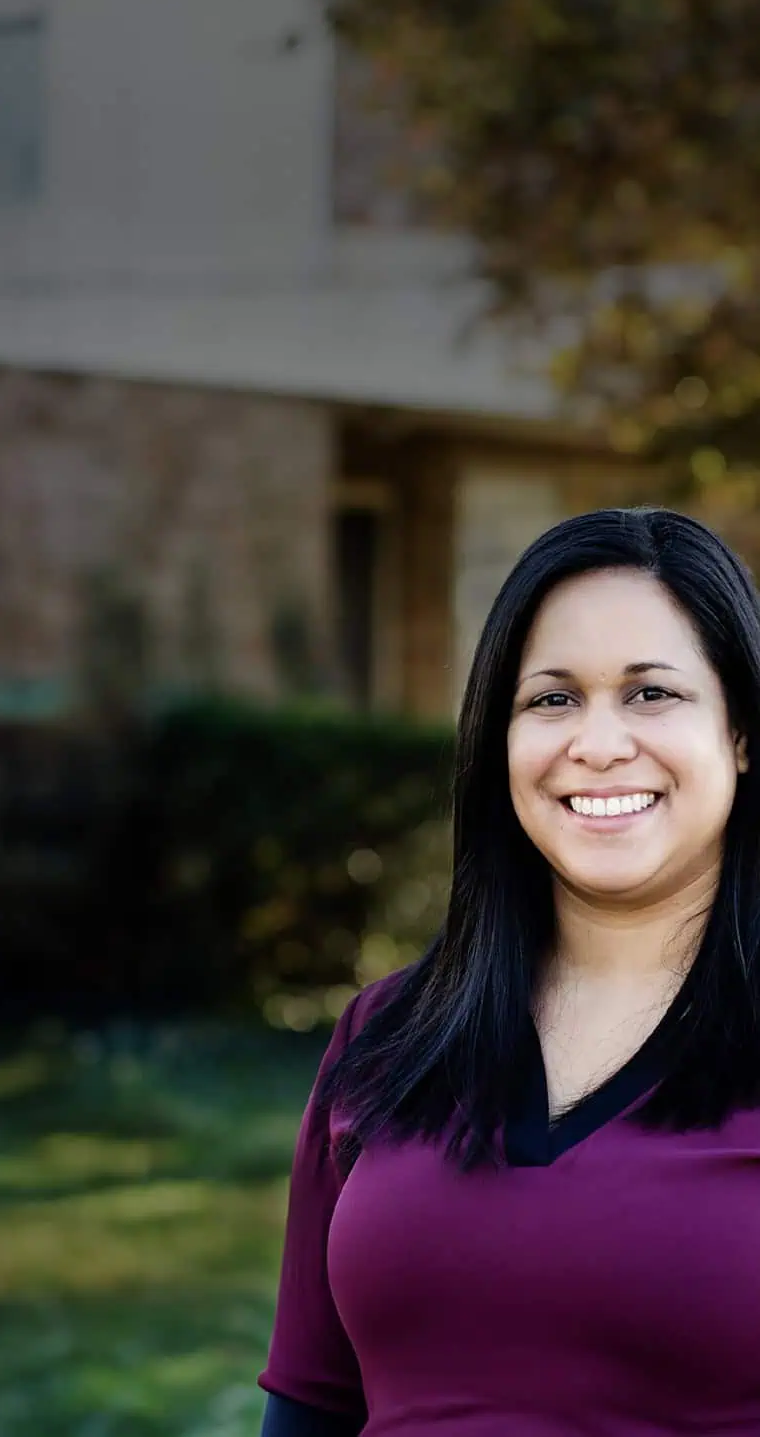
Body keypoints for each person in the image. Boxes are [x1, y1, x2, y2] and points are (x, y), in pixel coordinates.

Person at [257, 506, 760, 1436]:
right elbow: (309, 1409)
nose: (598, 743)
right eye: (552, 698)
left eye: (651, 693)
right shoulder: (387, 1036)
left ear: (742, 734)